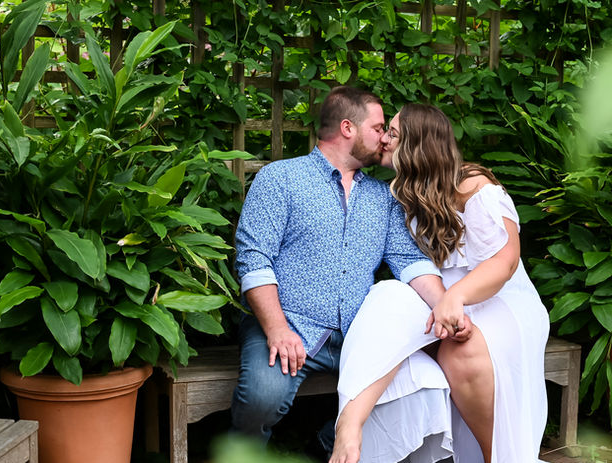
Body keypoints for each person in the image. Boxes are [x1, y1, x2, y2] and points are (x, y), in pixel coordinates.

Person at [230, 87, 446, 454]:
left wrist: (445, 305)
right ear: (348, 128)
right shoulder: (280, 178)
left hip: (358, 335)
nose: (385, 138)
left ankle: (326, 447)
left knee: (419, 382)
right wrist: (278, 329)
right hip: (290, 324)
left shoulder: (383, 197)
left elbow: (409, 261)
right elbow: (253, 260)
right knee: (262, 396)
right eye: (378, 128)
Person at [331, 103, 550, 463]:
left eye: (393, 134)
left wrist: (456, 298)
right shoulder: (402, 194)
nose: (384, 139)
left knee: (459, 352)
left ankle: (499, 457)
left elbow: (505, 261)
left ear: (417, 145)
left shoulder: (474, 187)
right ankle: (349, 426)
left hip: (498, 301)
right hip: (439, 298)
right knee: (387, 298)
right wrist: (445, 301)